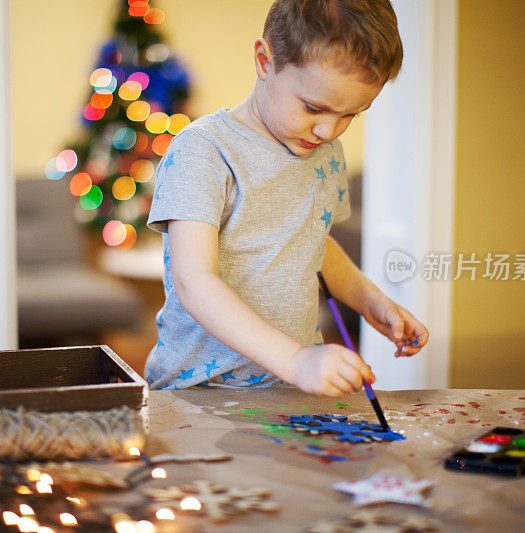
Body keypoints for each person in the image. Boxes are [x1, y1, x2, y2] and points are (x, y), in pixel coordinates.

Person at [145, 0, 428, 395]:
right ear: (265, 61)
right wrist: (295, 359)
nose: (329, 130)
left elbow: (314, 243)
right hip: (198, 391)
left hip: (287, 390)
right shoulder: (203, 151)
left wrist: (372, 302)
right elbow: (195, 282)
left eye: (350, 115)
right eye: (314, 107)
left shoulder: (324, 153)